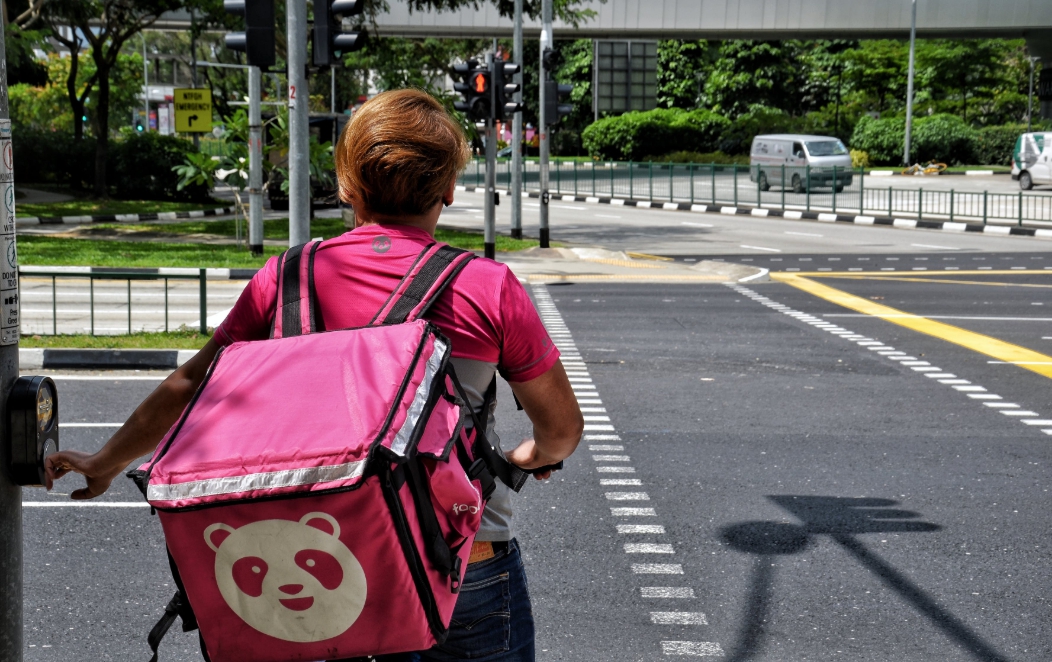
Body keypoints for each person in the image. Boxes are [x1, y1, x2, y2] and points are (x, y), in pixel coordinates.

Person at [44, 88, 584, 662]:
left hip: (320, 561)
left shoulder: (286, 281)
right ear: (449, 190)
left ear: (347, 185)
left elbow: (189, 386)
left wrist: (105, 462)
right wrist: (528, 459)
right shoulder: (484, 287)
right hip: (458, 569)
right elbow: (561, 431)